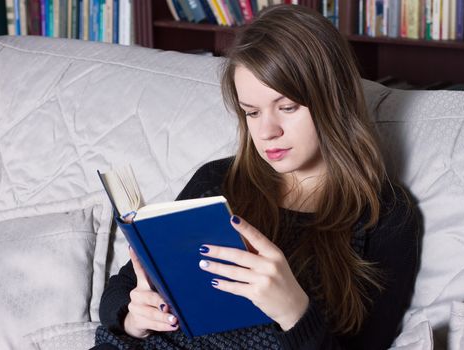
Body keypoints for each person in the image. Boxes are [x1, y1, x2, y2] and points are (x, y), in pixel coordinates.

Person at [93, 4, 420, 350]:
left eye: (288, 107)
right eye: (251, 112)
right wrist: (133, 316)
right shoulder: (218, 181)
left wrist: (294, 310)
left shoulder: (385, 216)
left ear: (334, 98)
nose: (267, 132)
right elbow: (122, 288)